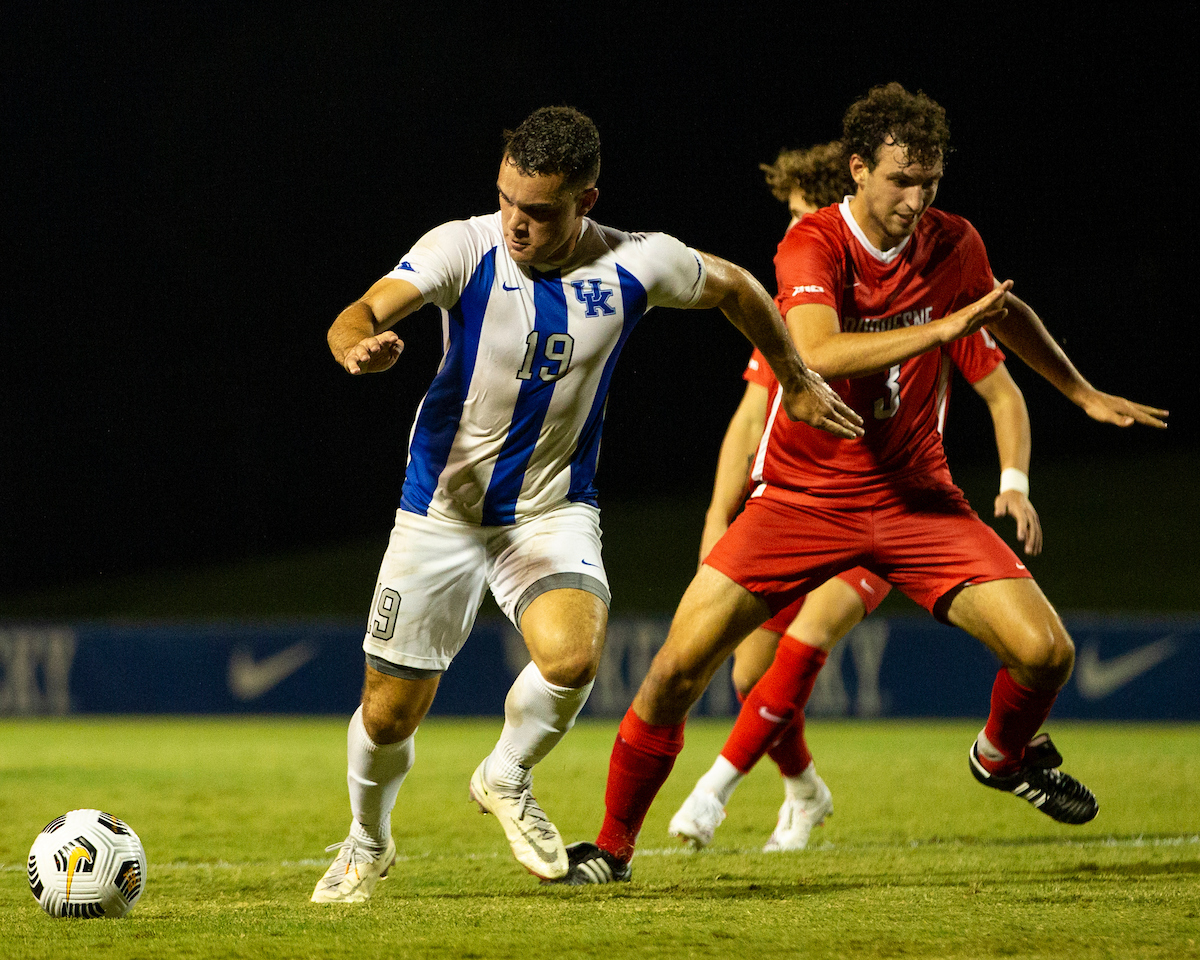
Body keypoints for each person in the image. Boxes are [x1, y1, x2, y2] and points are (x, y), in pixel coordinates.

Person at [552, 83, 1168, 885]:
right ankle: (612, 849)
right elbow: (818, 353)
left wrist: (1079, 390)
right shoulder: (813, 243)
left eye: (932, 183)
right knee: (676, 673)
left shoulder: (954, 242)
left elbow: (1003, 315)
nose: (918, 200)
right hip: (801, 503)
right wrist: (941, 327)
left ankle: (1001, 754)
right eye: (902, 181)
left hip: (916, 503)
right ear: (858, 171)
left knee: (1047, 653)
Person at [310, 105, 862, 902]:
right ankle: (367, 842)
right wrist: (359, 346)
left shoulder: (638, 264)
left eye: (537, 211)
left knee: (572, 657)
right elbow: (358, 311)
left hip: (551, 510)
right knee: (389, 713)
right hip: (441, 512)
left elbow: (739, 287)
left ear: (586, 201)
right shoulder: (461, 246)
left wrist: (797, 376)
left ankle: (505, 774)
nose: (516, 223)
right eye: (506, 200)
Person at [670, 142, 1043, 854]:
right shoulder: (795, 316)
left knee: (807, 640)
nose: (793, 234)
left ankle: (710, 791)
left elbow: (1003, 392)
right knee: (751, 671)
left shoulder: (931, 302)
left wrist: (1013, 482)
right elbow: (750, 420)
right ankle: (806, 790)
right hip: (801, 504)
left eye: (801, 215)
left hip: (894, 507)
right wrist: (719, 516)